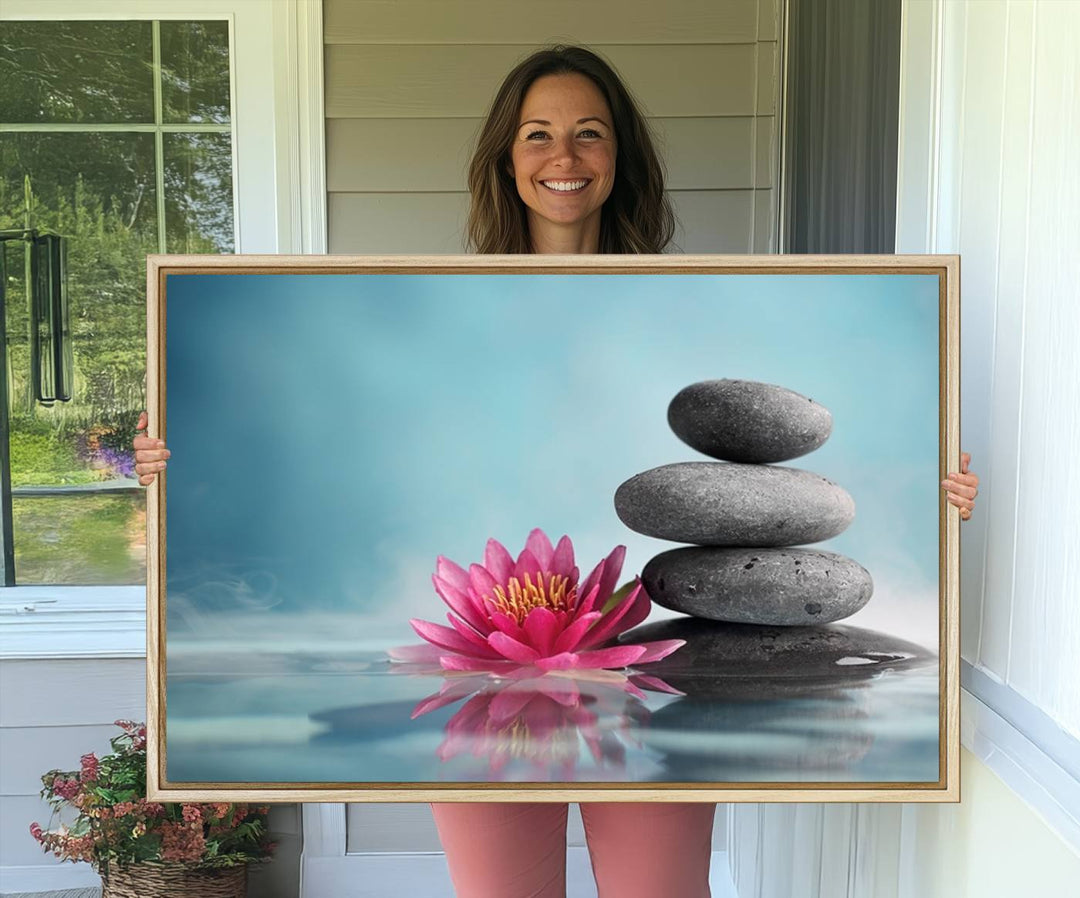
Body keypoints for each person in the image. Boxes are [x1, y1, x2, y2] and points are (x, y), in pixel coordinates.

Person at [134, 45, 979, 898]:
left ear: (620, 158)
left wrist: (939, 490)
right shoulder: (434, 299)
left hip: (651, 654)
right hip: (475, 663)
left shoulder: (700, 297)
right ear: (507, 157)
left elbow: (776, 465)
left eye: (589, 134)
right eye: (537, 135)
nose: (563, 157)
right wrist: (170, 464)